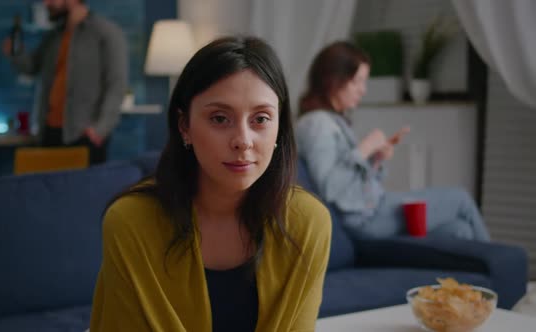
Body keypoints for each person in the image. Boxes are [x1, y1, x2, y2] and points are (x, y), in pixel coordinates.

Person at [89, 36, 331, 331]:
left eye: (261, 119)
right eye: (219, 118)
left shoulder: (307, 222)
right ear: (184, 126)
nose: (243, 141)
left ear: (280, 126)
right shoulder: (131, 223)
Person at [295, 41, 490, 241]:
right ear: (333, 80)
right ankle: (502, 265)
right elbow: (331, 188)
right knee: (461, 199)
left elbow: (351, 182)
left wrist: (375, 158)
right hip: (367, 218)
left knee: (459, 230)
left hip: (371, 209)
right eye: (357, 81)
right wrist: (364, 148)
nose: (363, 90)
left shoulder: (333, 120)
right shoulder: (316, 124)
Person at [3, 0, 128, 164]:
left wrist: (99, 130)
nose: (46, 3)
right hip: (49, 132)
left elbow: (116, 85)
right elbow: (32, 66)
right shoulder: (53, 37)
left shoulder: (106, 32)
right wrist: (15, 53)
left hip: (83, 135)